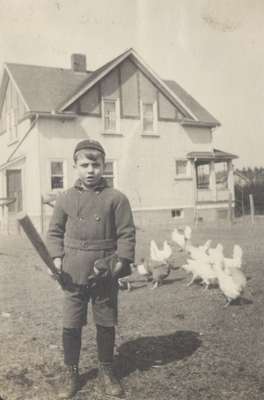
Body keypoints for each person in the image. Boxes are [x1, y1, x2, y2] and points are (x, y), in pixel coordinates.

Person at [46, 139, 136, 399]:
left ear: (103, 166)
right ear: (75, 166)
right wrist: (56, 259)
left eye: (95, 165)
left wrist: (120, 264)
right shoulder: (65, 199)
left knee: (106, 323)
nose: (90, 170)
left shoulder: (116, 199)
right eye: (84, 165)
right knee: (71, 324)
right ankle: (71, 372)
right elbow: (54, 233)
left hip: (104, 271)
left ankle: (106, 371)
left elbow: (126, 235)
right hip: (72, 273)